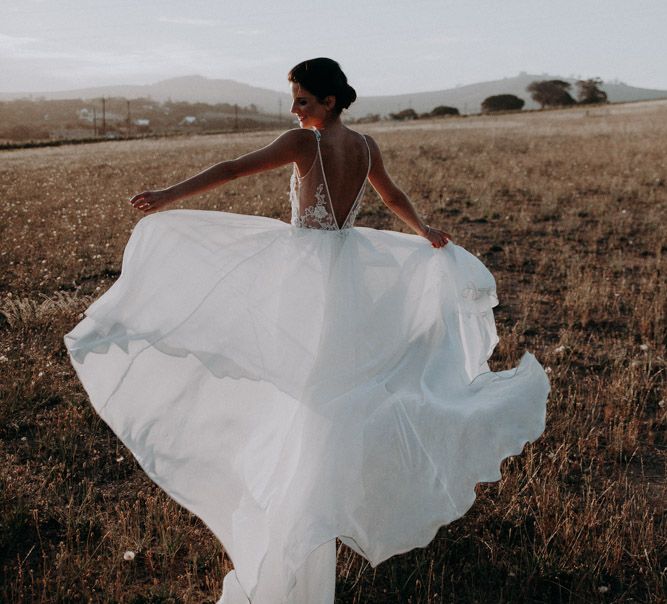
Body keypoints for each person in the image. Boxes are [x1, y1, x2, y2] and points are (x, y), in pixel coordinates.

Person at [65, 58, 549, 603]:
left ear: (329, 103)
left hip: (304, 274)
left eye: (302, 101)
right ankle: (308, 496)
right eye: (293, 100)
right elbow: (391, 198)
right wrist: (424, 230)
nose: (294, 110)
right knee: (324, 389)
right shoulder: (365, 145)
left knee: (299, 385)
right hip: (344, 273)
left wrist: (167, 196)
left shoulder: (304, 145)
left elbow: (230, 169)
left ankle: (298, 506)